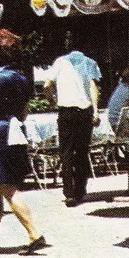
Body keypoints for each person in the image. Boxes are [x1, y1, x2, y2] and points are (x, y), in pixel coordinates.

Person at [0, 29, 48, 256]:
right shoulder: (23, 79)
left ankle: (34, 234)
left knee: (7, 187)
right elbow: (23, 113)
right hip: (14, 132)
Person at [45, 37, 102, 206]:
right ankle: (80, 190)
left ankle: (68, 191)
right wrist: (96, 110)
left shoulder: (60, 62)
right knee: (82, 152)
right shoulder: (90, 62)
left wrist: (52, 100)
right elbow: (93, 87)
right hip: (84, 111)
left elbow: (47, 85)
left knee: (66, 152)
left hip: (66, 111)